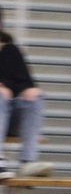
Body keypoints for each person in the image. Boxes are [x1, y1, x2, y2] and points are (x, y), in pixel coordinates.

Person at [0, 9, 53, 179]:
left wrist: (25, 91)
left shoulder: (9, 50)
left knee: (35, 96)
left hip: (6, 115)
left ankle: (27, 161)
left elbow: (24, 83)